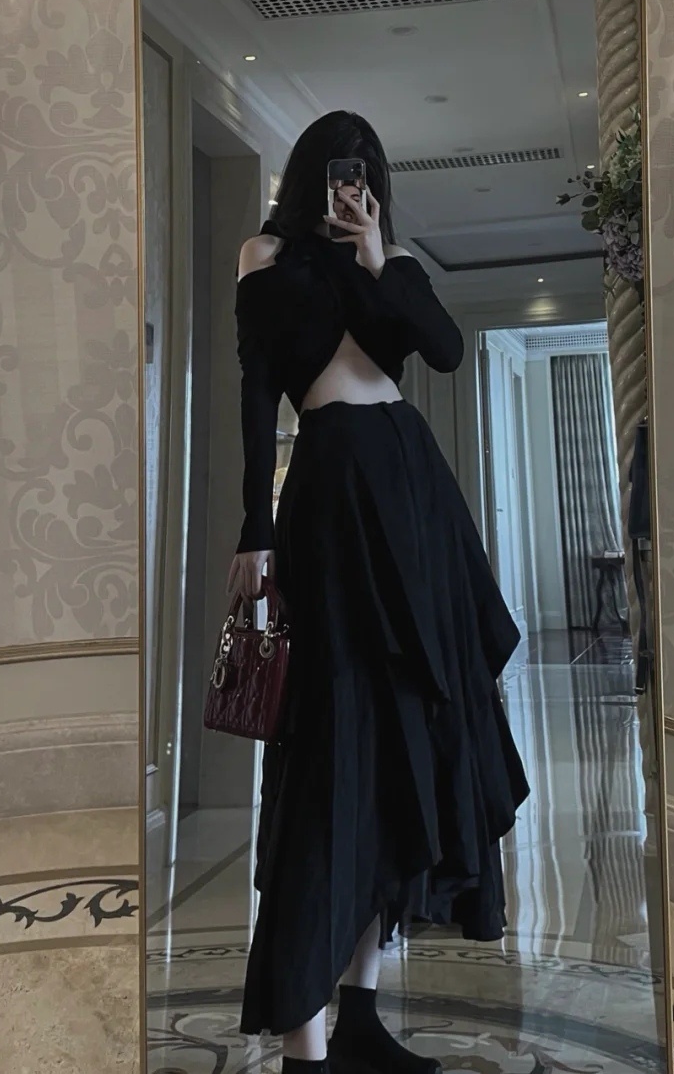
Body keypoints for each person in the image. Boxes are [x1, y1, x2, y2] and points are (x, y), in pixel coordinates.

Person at [228, 111, 529, 1074]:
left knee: (405, 749)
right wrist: (255, 528)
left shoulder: (386, 263)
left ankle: (357, 1015)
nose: (350, 188)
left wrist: (375, 254)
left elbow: (442, 349)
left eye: (363, 176)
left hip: (414, 493)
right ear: (310, 174)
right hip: (333, 493)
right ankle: (304, 1046)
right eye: (336, 171)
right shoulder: (265, 255)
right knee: (332, 750)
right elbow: (256, 392)